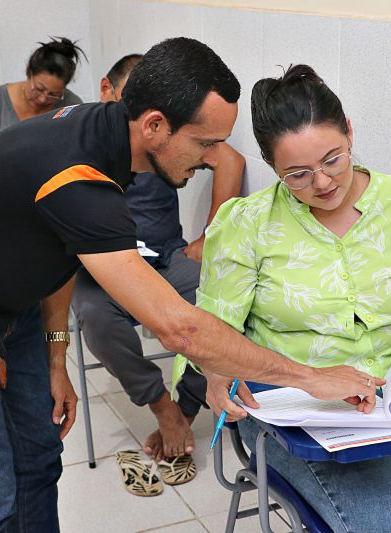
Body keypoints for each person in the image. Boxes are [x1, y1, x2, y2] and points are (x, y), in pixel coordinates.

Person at [0, 40, 382, 532]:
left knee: (38, 460)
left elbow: (55, 250)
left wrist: (56, 357)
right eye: (205, 143)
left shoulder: (107, 136)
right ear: (155, 125)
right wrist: (310, 378)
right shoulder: (80, 175)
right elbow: (179, 331)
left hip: (14, 297)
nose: (211, 158)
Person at [173, 64, 391, 532]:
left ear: (349, 134)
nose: (321, 183)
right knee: (390, 523)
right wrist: (217, 370)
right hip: (299, 408)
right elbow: (212, 330)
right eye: (297, 175)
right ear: (271, 167)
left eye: (332, 160)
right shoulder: (247, 225)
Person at [72, 54, 245, 464]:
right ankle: (162, 406)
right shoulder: (89, 143)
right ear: (107, 92)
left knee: (225, 297)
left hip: (166, 256)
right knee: (95, 315)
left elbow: (230, 160)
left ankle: (187, 405)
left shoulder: (168, 139)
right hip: (102, 267)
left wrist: (209, 235)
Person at [0, 36, 85, 158]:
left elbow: (81, 153)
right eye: (39, 89)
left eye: (54, 95)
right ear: (29, 71)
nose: (43, 99)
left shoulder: (72, 106)